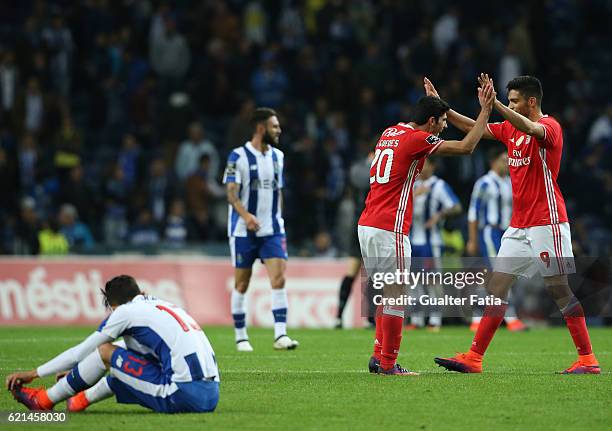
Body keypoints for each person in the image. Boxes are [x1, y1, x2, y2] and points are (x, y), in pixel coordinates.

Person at [427, 74, 600, 374]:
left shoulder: (549, 128)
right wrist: (440, 105)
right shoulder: (509, 129)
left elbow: (529, 126)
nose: (509, 106)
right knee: (497, 286)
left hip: (547, 222)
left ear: (532, 102)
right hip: (519, 226)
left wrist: (493, 104)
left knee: (559, 289)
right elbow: (473, 128)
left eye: (514, 101)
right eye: (507, 100)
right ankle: (474, 357)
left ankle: (587, 359)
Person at [358, 82, 496, 375]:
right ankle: (388, 364)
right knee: (397, 296)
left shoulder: (390, 131)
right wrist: (485, 111)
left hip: (368, 224)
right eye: (443, 122)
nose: (445, 127)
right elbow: (467, 146)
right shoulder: (417, 138)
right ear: (431, 120)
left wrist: (438, 102)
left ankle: (377, 356)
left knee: (386, 292)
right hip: (389, 226)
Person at [6, 275, 220, 413]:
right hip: (211, 396)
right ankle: (80, 399)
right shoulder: (162, 304)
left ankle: (44, 400)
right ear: (139, 292)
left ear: (113, 305)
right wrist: (78, 373)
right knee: (122, 360)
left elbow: (81, 352)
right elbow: (135, 351)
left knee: (106, 351)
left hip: (182, 395)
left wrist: (33, 373)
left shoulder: (124, 312)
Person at [222, 107, 298, 352]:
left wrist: (277, 218)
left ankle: (280, 335)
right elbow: (231, 193)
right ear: (260, 128)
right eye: (274, 126)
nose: (279, 130)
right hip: (244, 231)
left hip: (273, 229)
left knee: (279, 278)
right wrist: (246, 216)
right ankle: (241, 337)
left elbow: (278, 192)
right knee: (242, 284)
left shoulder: (279, 157)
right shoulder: (237, 156)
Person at [467, 148, 526, 332]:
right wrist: (472, 239)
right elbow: (473, 212)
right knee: (500, 273)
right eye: (503, 160)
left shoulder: (510, 182)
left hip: (507, 232)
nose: (507, 164)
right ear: (493, 161)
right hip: (490, 233)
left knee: (494, 276)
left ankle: (478, 316)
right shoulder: (484, 183)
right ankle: (511, 318)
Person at [407, 158, 461, 331]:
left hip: (431, 242)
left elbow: (456, 207)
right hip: (410, 241)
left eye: (425, 164)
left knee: (432, 281)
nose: (421, 167)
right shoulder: (411, 184)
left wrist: (440, 215)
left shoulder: (438, 185)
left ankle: (435, 320)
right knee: (413, 282)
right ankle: (416, 320)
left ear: (432, 166)